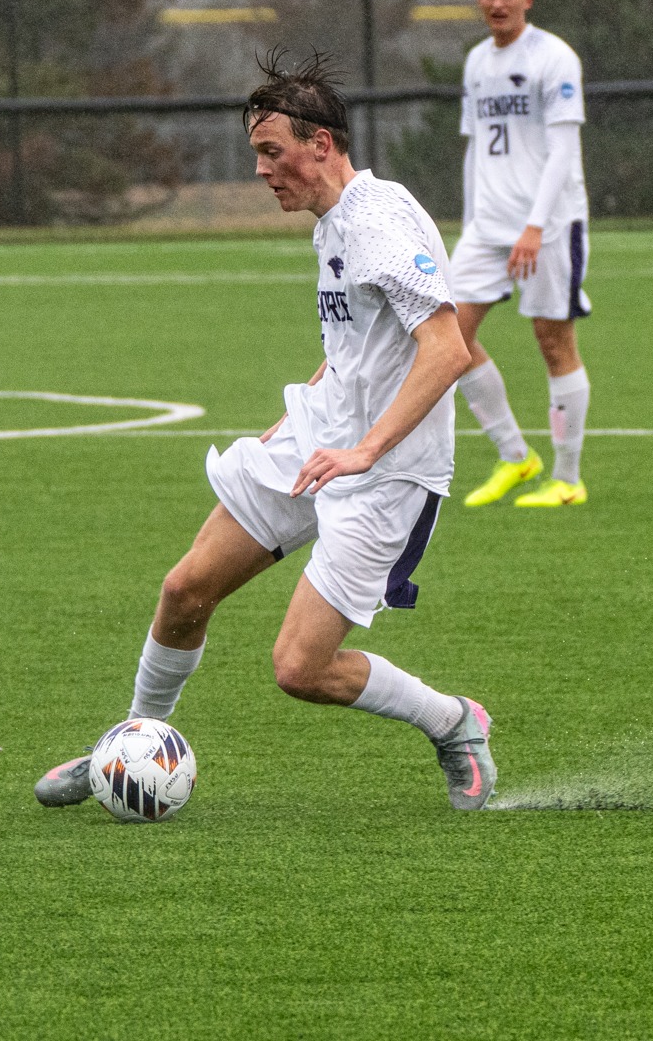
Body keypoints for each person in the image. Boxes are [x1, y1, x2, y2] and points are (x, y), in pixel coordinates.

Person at [34, 53, 497, 811]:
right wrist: (300, 419)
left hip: (386, 472)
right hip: (318, 443)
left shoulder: (378, 221)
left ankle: (454, 723)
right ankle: (130, 747)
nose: (259, 170)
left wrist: (366, 449)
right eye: (256, 153)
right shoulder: (333, 222)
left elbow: (448, 351)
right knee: (186, 590)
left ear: (322, 144)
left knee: (300, 668)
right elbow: (353, 351)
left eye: (270, 151)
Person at [449, 0, 593, 509]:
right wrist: (471, 222)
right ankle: (515, 456)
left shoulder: (554, 57)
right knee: (449, 339)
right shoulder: (476, 62)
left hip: (550, 223)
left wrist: (534, 226)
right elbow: (475, 148)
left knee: (552, 341)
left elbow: (562, 149)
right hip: (487, 227)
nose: (497, 4)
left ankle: (568, 478)